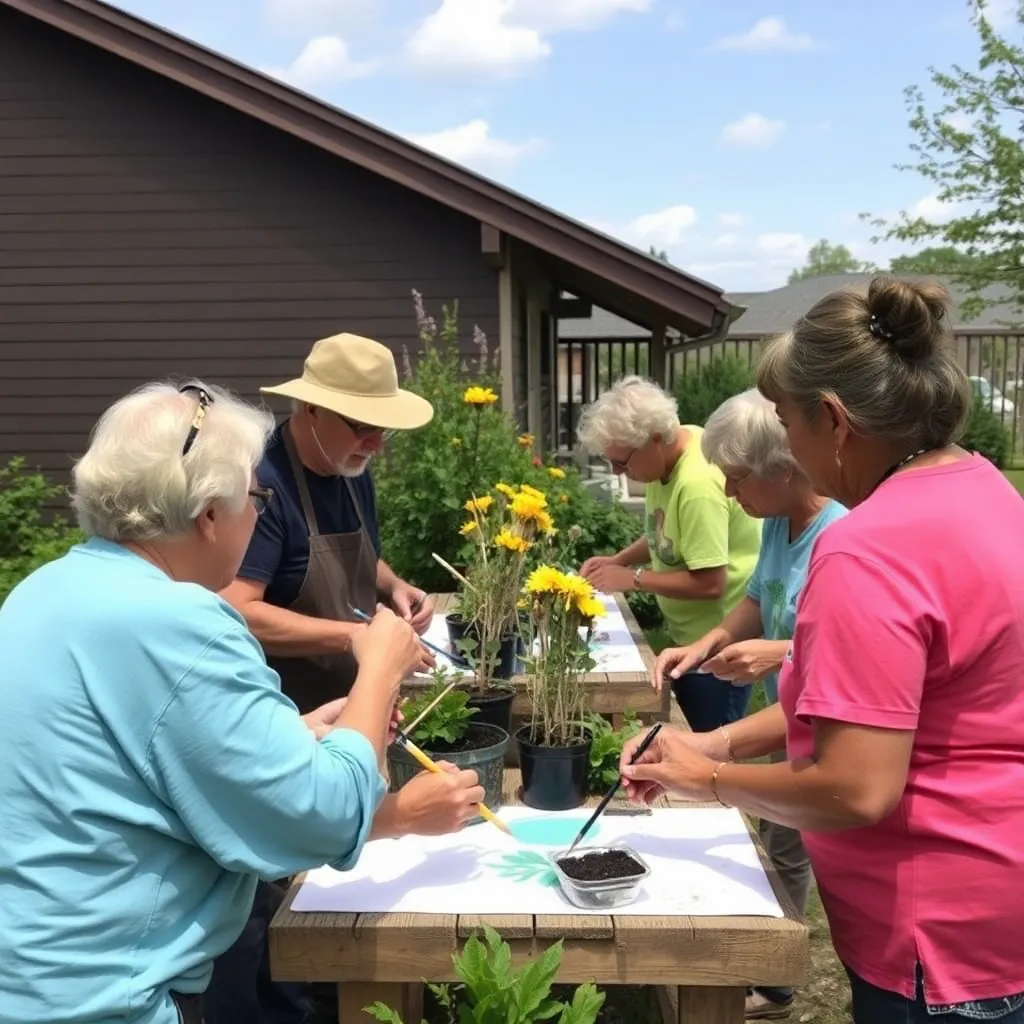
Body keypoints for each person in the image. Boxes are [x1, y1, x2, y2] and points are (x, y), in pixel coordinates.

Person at [0, 381, 484, 1024]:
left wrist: (294, 734)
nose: (259, 514)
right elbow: (322, 817)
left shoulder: (45, 589)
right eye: (254, 497)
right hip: (114, 997)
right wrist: (379, 669)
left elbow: (142, 757)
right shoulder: (182, 624)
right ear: (207, 515)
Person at [619, 278, 1024, 1024]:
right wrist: (713, 741)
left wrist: (708, 777)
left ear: (834, 422)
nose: (789, 448)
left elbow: (856, 786)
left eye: (786, 422)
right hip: (998, 897)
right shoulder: (991, 493)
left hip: (934, 940)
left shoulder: (865, 548)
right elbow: (867, 704)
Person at [653, 388, 846, 1021]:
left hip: (835, 736)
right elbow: (757, 601)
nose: (731, 494)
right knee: (779, 838)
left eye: (738, 479)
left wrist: (778, 654)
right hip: (787, 720)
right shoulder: (776, 523)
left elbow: (850, 653)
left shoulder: (839, 535)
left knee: (795, 846)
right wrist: (706, 641)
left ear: (785, 466)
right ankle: (768, 971)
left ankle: (774, 979)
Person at [222, 332, 437, 717]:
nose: (376, 445)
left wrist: (395, 586)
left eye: (382, 429)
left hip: (355, 702)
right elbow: (238, 609)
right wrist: (357, 636)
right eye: (361, 426)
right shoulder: (263, 484)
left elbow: (353, 561)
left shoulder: (351, 468)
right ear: (312, 409)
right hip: (285, 715)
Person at [576, 375, 762, 731]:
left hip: (719, 645)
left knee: (710, 742)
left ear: (656, 440)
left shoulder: (697, 485)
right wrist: (621, 560)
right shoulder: (673, 452)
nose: (617, 472)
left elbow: (711, 583)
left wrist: (634, 579)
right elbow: (665, 533)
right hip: (691, 638)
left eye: (622, 462)